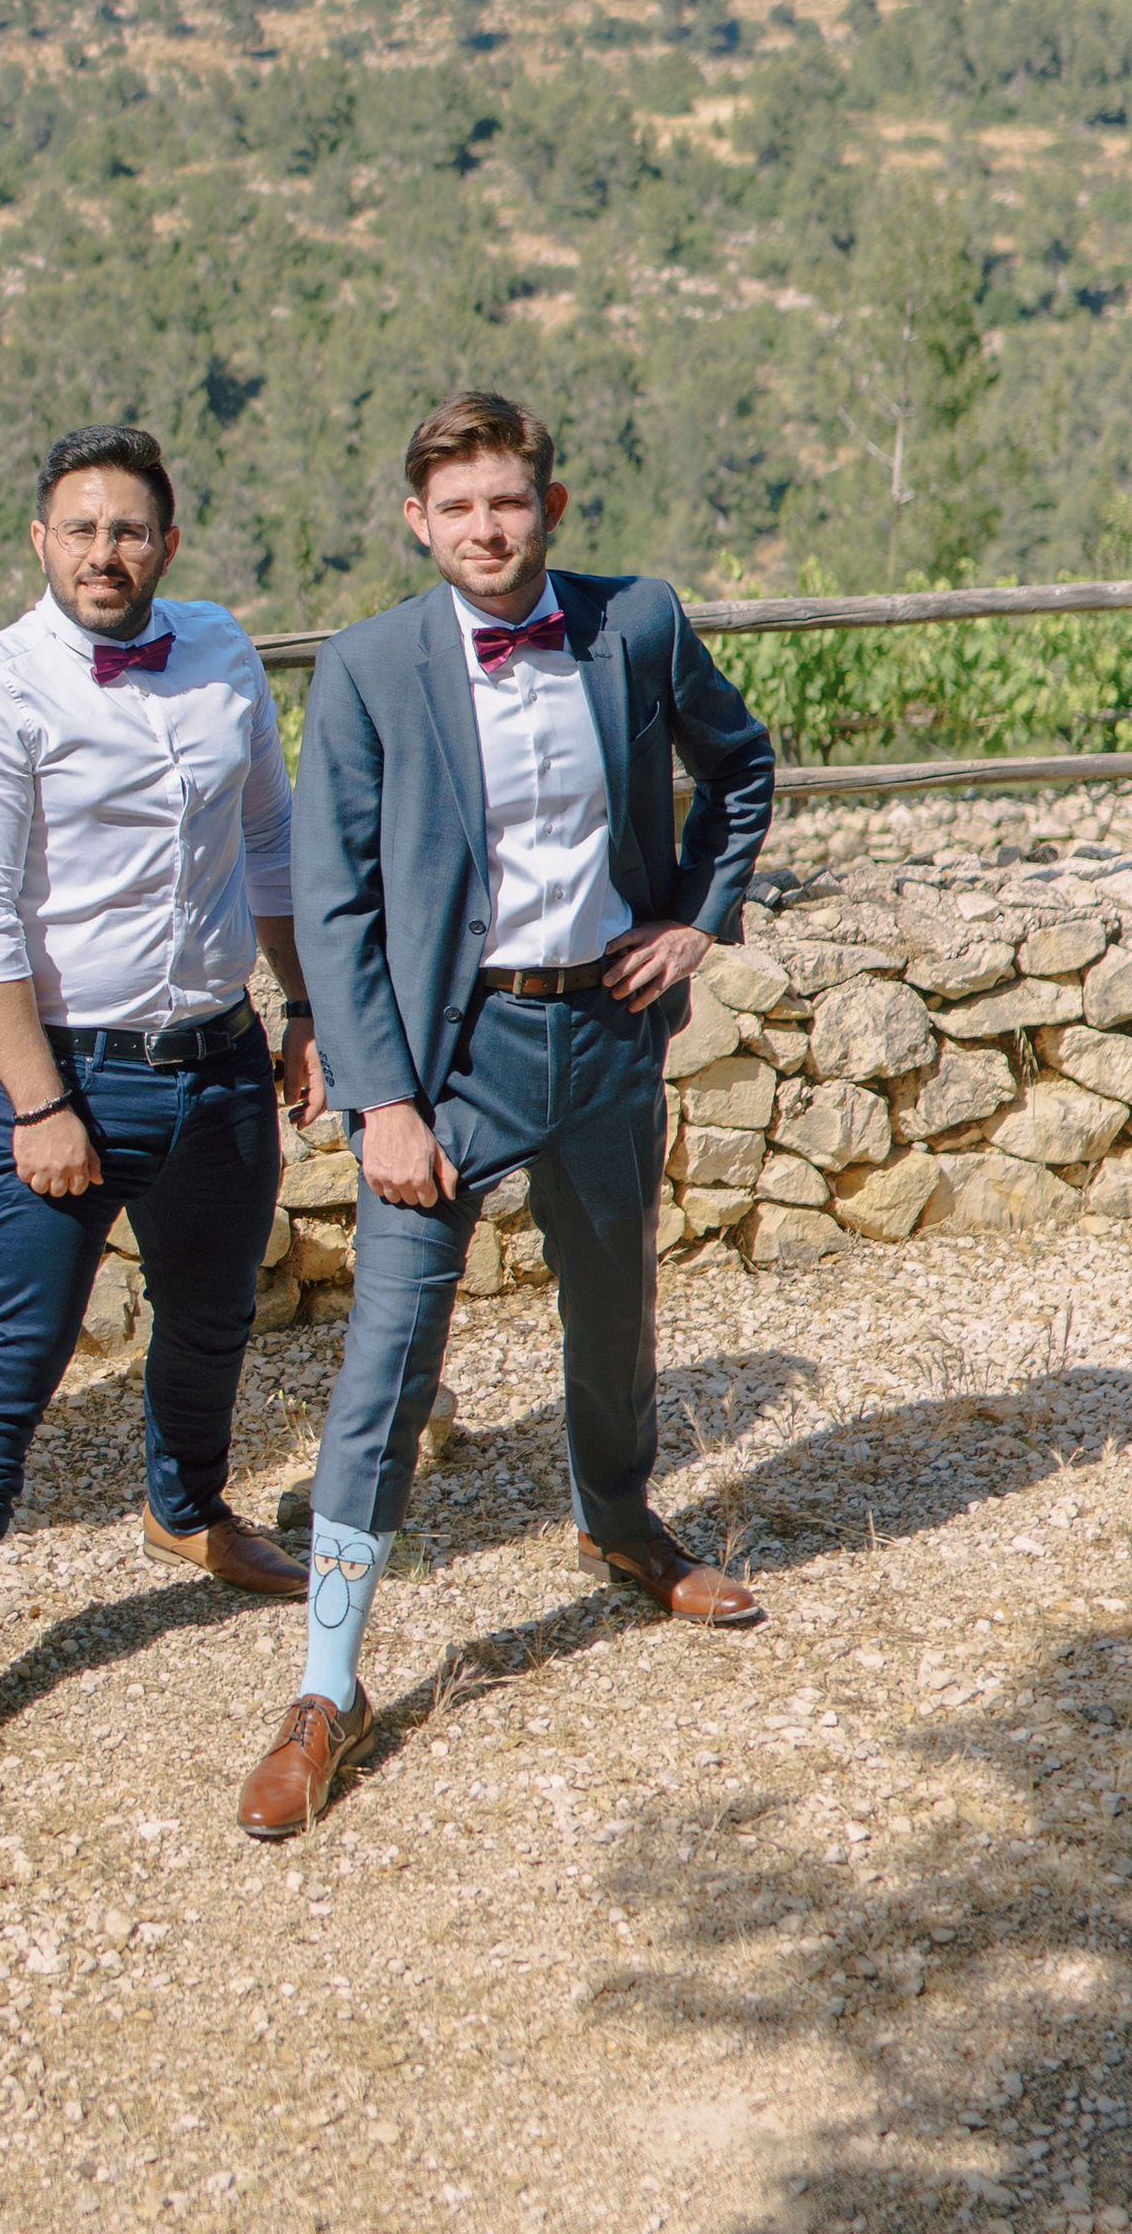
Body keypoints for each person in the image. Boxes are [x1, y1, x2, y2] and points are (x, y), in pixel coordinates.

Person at [240, 388, 777, 1840]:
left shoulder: (638, 623)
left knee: (613, 1314)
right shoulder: (364, 668)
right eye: (458, 507)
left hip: (603, 1028)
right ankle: (328, 1684)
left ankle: (620, 1522)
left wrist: (696, 926)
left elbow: (743, 769)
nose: (488, 528)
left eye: (510, 501)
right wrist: (382, 1099)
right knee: (387, 1359)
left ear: (550, 506)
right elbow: (339, 904)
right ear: (420, 523)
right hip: (444, 1052)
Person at [0, 424, 315, 1817]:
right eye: (80, 529)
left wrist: (304, 1010)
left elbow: (268, 839)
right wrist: (38, 1101)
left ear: (166, 545)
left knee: (212, 1315)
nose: (104, 553)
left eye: (128, 530)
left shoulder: (220, 650)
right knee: (12, 1357)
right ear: (41, 541)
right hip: (65, 1073)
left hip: (220, 1058)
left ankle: (186, 1511)